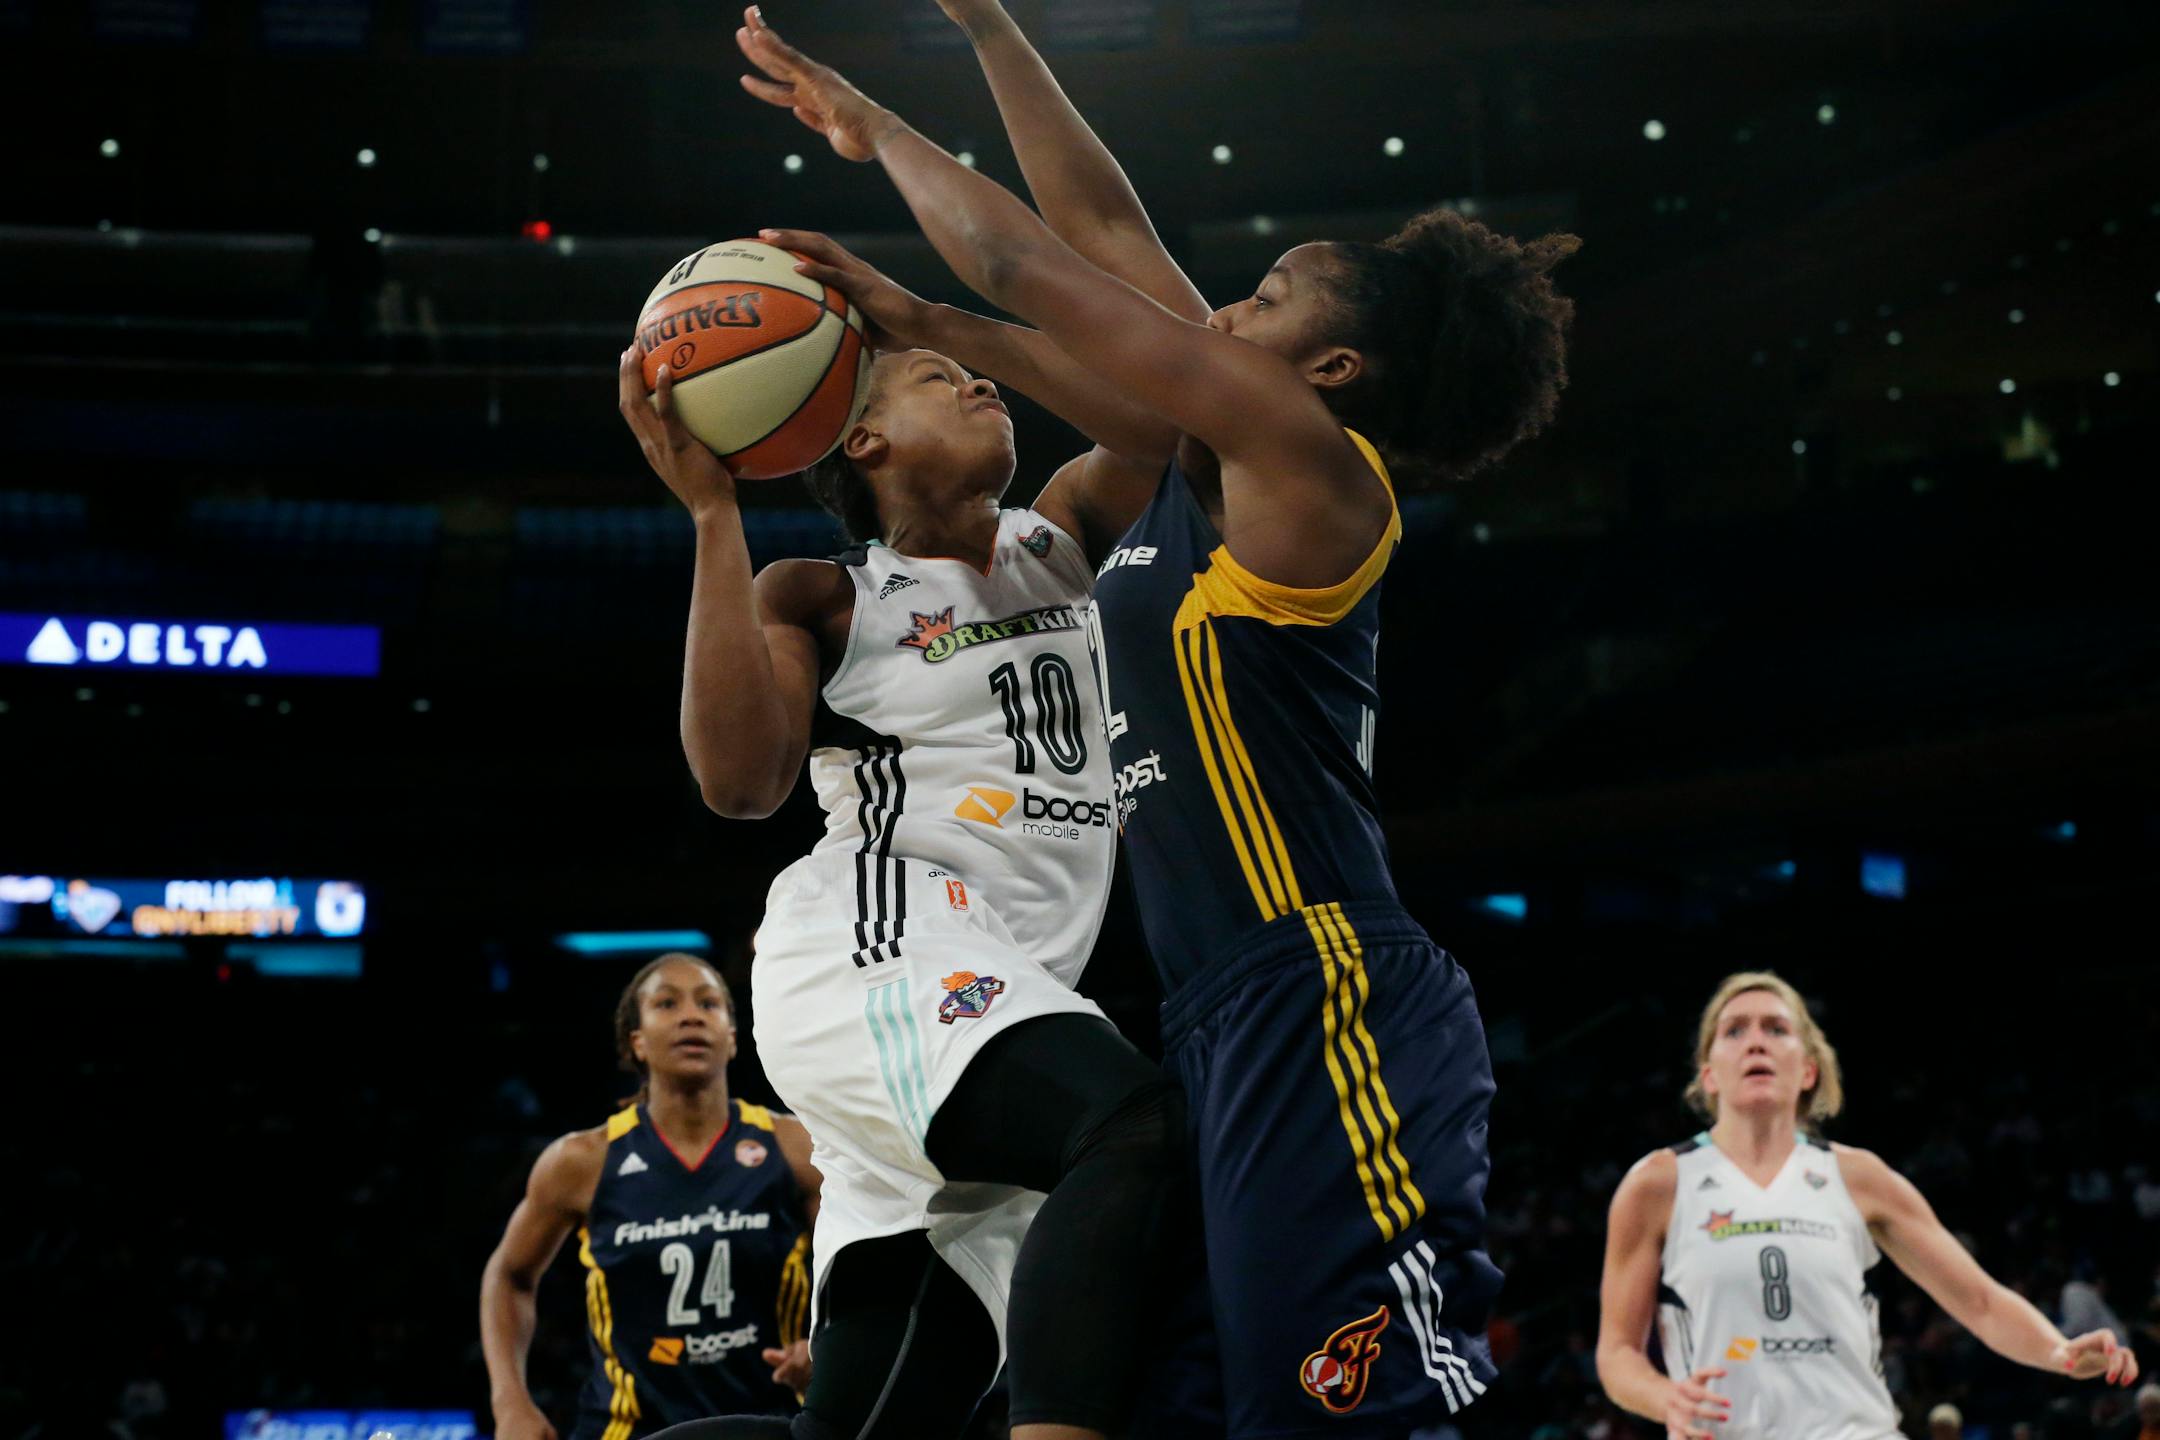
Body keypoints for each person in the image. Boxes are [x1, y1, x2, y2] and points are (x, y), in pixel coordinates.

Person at [735, 6, 1577, 1433]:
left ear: (1331, 373)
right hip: (1219, 1014)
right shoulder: (1213, 461)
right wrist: (991, 26)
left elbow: (1028, 263)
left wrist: (880, 142)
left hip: (1328, 993)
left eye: (1262, 297)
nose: (1219, 310)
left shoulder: (1313, 469)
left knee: (1356, 1414)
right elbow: (1100, 219)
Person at [611, 240, 1187, 1440]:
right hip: (881, 950)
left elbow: (1161, 421)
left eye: (980, 375)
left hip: (994, 996)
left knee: (870, 1432)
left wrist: (937, 320)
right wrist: (715, 513)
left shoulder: (1061, 536)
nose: (982, 386)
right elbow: (738, 783)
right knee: (1138, 1127)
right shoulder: (827, 592)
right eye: (937, 379)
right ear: (858, 441)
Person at [1596, 971, 2141, 1440]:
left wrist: (2057, 1352)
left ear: (1808, 1070)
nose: (1756, 1042)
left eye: (1777, 1029)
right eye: (1734, 1030)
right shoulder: (1659, 1183)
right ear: (1709, 1074)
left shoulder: (1858, 1177)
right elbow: (1617, 1353)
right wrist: (1665, 1397)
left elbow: (1979, 1300)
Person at [481, 954, 821, 1440]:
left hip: (769, 1425)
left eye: (709, 1004)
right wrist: (509, 1399)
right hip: (625, 1431)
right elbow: (508, 1275)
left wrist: (828, 1346)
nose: (692, 1015)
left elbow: (864, 1269)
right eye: (667, 1003)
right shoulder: (581, 1161)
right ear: (636, 1041)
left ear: (731, 1037)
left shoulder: (793, 1147)